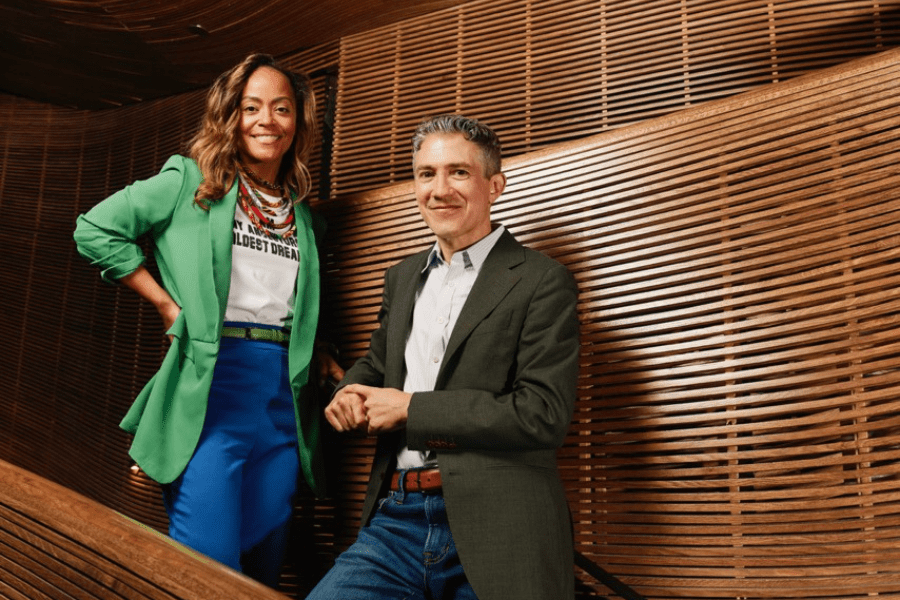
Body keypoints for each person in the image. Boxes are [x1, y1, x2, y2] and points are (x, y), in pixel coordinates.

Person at [73, 53, 343, 587]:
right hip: (211, 392)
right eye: (252, 107)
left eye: (282, 108)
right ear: (230, 115)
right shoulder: (188, 181)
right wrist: (166, 304)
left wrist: (322, 351)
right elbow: (94, 229)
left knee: (264, 566)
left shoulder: (304, 216)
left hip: (283, 399)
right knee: (207, 570)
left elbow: (294, 304)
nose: (267, 120)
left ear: (298, 123)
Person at [309, 114, 580, 600]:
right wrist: (350, 391)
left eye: (458, 172)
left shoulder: (542, 280)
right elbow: (378, 365)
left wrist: (412, 408)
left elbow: (543, 414)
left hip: (503, 523)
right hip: (397, 521)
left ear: (494, 185)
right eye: (426, 174)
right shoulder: (403, 277)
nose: (439, 189)